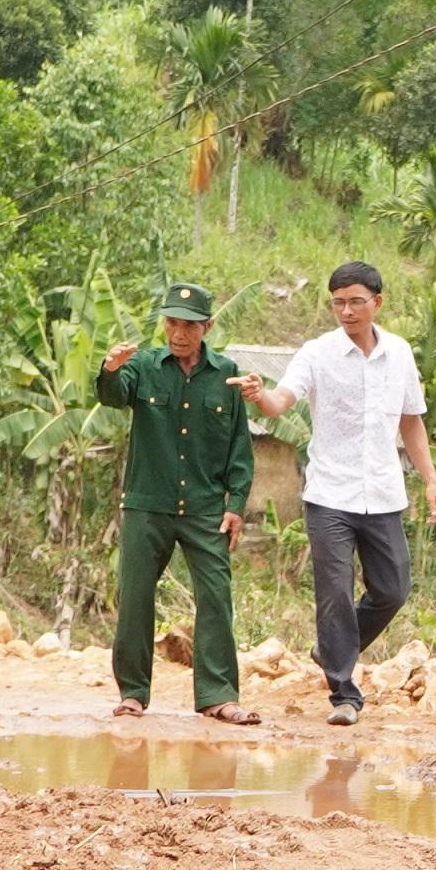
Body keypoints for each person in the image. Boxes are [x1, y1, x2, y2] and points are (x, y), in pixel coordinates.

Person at [95, 282, 280, 723]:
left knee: (216, 595)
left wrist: (236, 504)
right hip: (147, 503)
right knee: (136, 595)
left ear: (207, 327)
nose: (179, 333)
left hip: (204, 509)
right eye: (172, 323)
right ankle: (133, 694)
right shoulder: (142, 366)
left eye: (189, 325)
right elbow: (114, 395)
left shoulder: (227, 375)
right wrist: (109, 369)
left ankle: (218, 696)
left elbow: (239, 446)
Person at [287, 258, 436, 721]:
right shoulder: (316, 353)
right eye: (338, 302)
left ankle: (331, 648)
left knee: (393, 589)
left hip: (381, 493)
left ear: (376, 303)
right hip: (328, 495)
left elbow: (411, 420)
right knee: (334, 591)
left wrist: (431, 481)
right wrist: (262, 398)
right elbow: (284, 398)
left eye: (356, 302)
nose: (346, 311)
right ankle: (344, 693)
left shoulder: (399, 353)